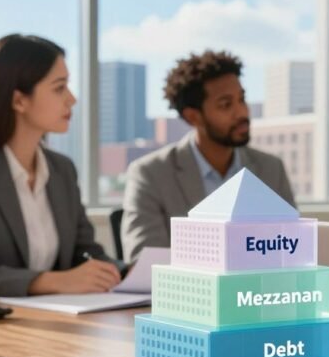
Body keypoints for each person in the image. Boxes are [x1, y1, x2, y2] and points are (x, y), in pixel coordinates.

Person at [0, 34, 121, 299]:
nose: (72, 99)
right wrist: (53, 281)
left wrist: (130, 272)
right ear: (19, 100)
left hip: (45, 324)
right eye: (59, 87)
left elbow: (84, 253)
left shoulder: (62, 169)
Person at [120, 50, 294, 262]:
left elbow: (294, 248)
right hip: (188, 293)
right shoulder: (151, 174)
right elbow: (146, 261)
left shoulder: (270, 169)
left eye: (242, 99)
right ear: (193, 117)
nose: (241, 113)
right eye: (225, 104)